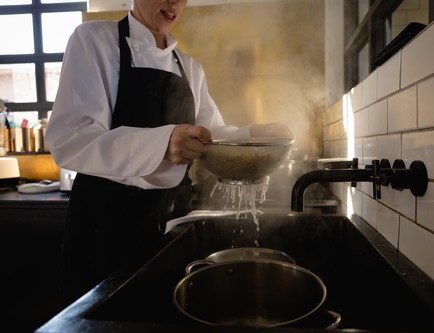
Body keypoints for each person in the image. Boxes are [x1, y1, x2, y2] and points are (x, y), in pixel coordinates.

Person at [46, 0, 293, 305]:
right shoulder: (93, 40)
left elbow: (212, 136)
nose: (174, 2)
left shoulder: (189, 67)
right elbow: (71, 139)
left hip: (166, 224)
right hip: (103, 225)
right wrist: (163, 143)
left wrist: (254, 135)